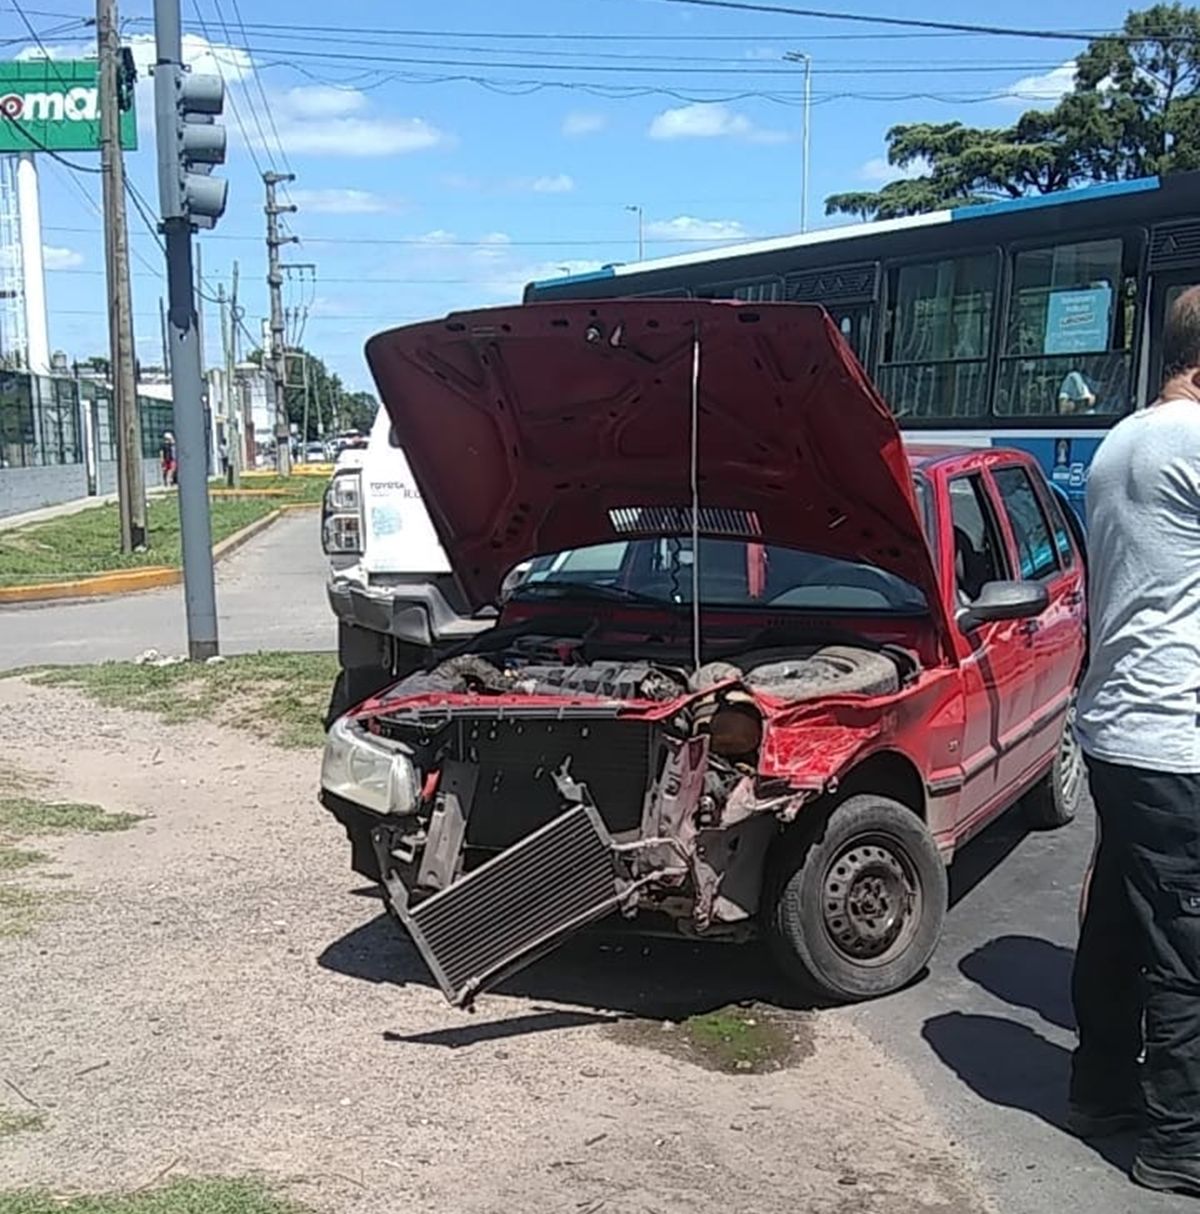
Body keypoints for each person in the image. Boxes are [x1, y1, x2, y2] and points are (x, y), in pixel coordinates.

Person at [1070, 284, 1200, 1197]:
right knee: (1187, 946)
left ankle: (1101, 1089)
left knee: (1121, 919)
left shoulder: (1123, 438)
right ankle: (1181, 1142)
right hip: (1174, 732)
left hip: (1118, 724)